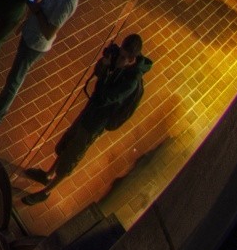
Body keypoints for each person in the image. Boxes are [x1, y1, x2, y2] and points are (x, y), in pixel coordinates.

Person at [21, 35, 151, 206]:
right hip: (89, 113)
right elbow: (98, 74)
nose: (118, 59)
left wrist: (107, 72)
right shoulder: (119, 62)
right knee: (67, 144)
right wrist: (104, 64)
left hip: (95, 123)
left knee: (71, 157)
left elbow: (104, 97)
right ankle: (48, 174)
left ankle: (46, 191)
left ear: (132, 59)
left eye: (122, 57)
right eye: (119, 54)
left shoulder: (131, 81)